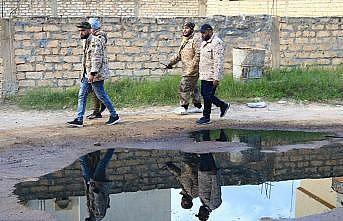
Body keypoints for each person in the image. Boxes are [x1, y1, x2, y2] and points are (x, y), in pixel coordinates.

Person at [67, 21, 120, 127]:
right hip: (86, 74)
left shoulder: (96, 41)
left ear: (89, 30)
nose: (80, 33)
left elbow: (97, 59)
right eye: (80, 31)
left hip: (96, 74)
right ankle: (79, 119)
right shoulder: (85, 41)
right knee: (82, 95)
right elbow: (86, 59)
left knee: (101, 96)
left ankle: (114, 115)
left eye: (83, 31)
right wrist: (84, 73)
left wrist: (92, 73)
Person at [166, 21, 203, 115]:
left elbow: (198, 54)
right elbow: (179, 54)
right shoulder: (185, 39)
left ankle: (184, 107)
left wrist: (193, 67)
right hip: (186, 68)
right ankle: (198, 106)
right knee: (193, 88)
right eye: (183, 28)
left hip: (192, 69)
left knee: (184, 86)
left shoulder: (196, 39)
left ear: (192, 29)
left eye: (186, 28)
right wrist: (170, 63)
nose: (184, 30)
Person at [196, 24, 230, 125]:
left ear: (210, 31)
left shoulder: (217, 43)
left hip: (212, 75)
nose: (202, 35)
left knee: (207, 96)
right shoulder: (204, 43)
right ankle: (222, 105)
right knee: (205, 94)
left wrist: (216, 77)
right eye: (201, 33)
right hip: (204, 74)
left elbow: (218, 61)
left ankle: (206, 117)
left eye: (204, 33)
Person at [79, 149, 115, 221]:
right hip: (99, 183)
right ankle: (112, 148)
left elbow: (90, 197)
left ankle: (80, 150)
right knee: (102, 164)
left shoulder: (91, 214)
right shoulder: (99, 215)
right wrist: (93, 187)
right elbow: (99, 198)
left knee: (84, 164)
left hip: (91, 183)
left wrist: (88, 185)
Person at [86, 17, 107, 120]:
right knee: (94, 90)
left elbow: (97, 56)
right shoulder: (95, 36)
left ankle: (103, 106)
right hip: (93, 69)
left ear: (93, 28)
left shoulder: (99, 37)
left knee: (98, 91)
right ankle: (96, 111)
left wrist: (93, 71)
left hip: (97, 70)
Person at [196, 153, 222, 221]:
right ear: (206, 215)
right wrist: (214, 176)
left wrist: (199, 172)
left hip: (203, 173)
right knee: (205, 152)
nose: (199, 211)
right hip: (209, 173)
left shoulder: (203, 202)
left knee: (204, 153)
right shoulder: (214, 205)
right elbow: (216, 189)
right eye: (200, 213)